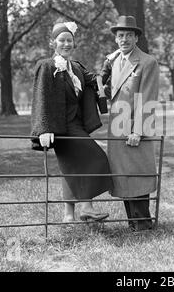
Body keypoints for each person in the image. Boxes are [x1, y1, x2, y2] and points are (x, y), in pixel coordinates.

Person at [30, 19, 113, 223]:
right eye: (62, 40)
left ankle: (68, 217)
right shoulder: (46, 66)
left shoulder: (76, 68)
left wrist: (109, 65)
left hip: (76, 124)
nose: (66, 44)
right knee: (97, 158)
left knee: (72, 167)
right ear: (53, 43)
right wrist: (44, 128)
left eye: (70, 40)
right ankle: (87, 207)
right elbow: (41, 96)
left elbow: (95, 81)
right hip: (59, 127)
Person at [102, 15, 160, 231]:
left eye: (128, 35)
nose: (124, 39)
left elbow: (148, 98)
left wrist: (139, 130)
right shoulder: (114, 61)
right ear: (116, 39)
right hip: (116, 129)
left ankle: (143, 223)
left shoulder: (147, 62)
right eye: (120, 36)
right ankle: (132, 223)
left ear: (136, 38)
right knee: (123, 176)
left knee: (138, 174)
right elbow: (111, 92)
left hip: (135, 129)